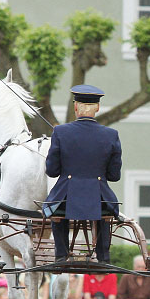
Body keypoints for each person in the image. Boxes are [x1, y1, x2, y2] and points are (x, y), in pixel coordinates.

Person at [42, 84, 122, 263]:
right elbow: (114, 175)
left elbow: (52, 171)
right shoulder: (112, 135)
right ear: (98, 107)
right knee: (102, 207)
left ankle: (61, 254)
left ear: (76, 106)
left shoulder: (60, 132)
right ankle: (103, 256)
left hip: (66, 198)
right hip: (100, 199)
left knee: (56, 208)